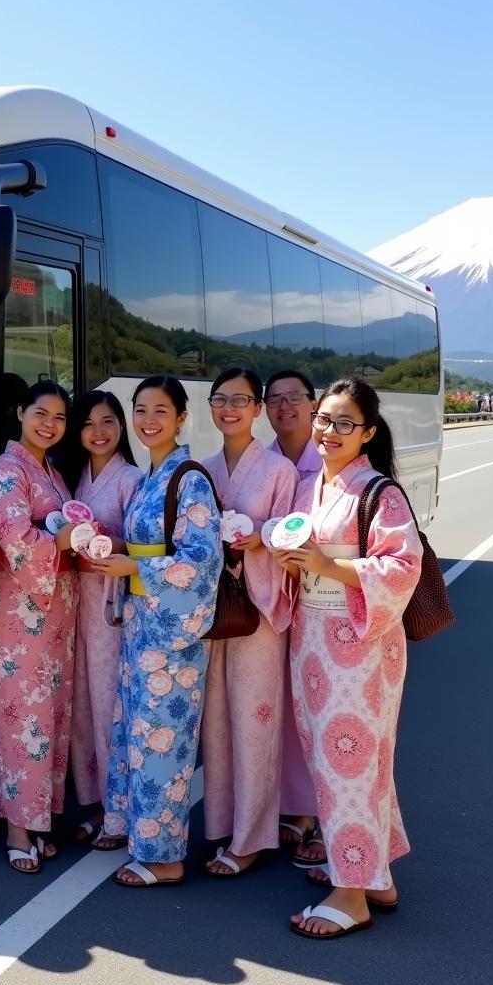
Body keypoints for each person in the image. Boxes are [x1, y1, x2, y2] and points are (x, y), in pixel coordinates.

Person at [276, 378, 421, 939]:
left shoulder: (379, 492)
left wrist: (325, 565)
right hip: (314, 637)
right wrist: (297, 564)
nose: (329, 431)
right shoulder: (315, 485)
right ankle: (373, 873)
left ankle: (351, 893)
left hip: (358, 647)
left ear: (368, 432)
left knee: (351, 761)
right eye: (324, 419)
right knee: (339, 761)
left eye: (343, 423)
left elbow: (400, 568)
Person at [89, 375, 223, 887]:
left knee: (164, 739)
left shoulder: (188, 478)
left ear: (182, 417)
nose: (148, 420)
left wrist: (135, 570)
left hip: (172, 631)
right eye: (140, 410)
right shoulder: (152, 476)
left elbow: (202, 560)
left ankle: (164, 856)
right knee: (138, 732)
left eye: (160, 411)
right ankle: (135, 831)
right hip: (144, 623)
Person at [199, 368, 298, 876]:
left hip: (257, 608)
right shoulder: (203, 469)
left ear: (257, 408)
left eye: (241, 399)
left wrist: (260, 537)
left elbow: (292, 535)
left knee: (254, 721)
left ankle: (252, 836)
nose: (230, 408)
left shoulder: (279, 471)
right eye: (221, 399)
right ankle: (221, 822)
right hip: (212, 607)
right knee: (215, 721)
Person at [0, 380, 78, 874]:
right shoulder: (6, 470)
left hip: (54, 610)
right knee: (23, 715)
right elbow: (16, 541)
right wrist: (64, 538)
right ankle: (18, 827)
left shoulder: (50, 472)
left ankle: (37, 819)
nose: (50, 425)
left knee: (50, 715)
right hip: (21, 611)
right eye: (42, 413)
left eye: (60, 419)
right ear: (21, 412)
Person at [62, 390, 141, 849]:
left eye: (108, 421)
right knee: (83, 706)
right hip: (75, 598)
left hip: (112, 600)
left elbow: (142, 542)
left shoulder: (131, 478)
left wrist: (108, 541)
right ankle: (97, 803)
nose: (98, 432)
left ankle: (122, 811)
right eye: (88, 423)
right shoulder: (73, 479)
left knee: (111, 702)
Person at [264, 368, 322, 862]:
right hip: (270, 598)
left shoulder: (331, 462)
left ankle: (314, 813)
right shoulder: (263, 463)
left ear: (313, 403)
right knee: (279, 701)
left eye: (295, 398)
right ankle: (286, 803)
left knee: (319, 704)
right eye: (275, 399)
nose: (285, 407)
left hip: (322, 602)